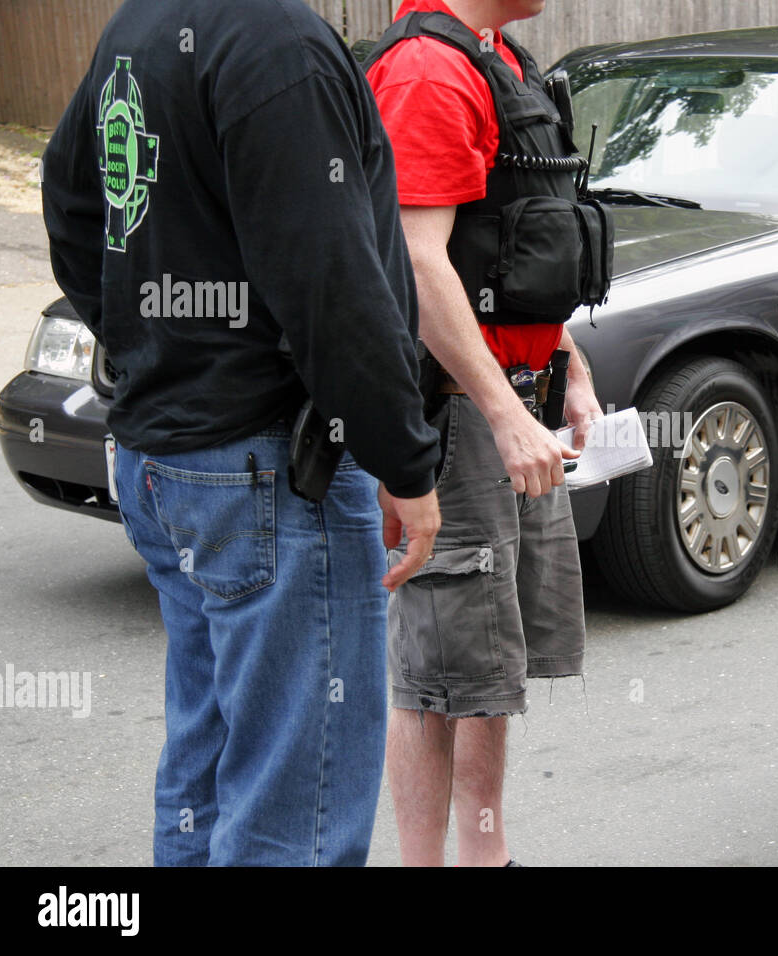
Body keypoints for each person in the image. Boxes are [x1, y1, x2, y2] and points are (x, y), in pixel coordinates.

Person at [42, 0, 443, 866]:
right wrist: (405, 463)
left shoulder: (142, 24)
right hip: (264, 469)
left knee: (209, 769)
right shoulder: (277, 43)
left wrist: (152, 348)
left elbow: (71, 206)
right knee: (295, 811)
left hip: (170, 458)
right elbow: (333, 286)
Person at [365, 0, 609, 867]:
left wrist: (568, 366)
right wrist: (505, 413)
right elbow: (417, 261)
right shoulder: (428, 71)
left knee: (487, 662)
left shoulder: (495, 54)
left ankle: (486, 858)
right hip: (457, 409)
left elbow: (501, 251)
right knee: (436, 671)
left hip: (513, 395)